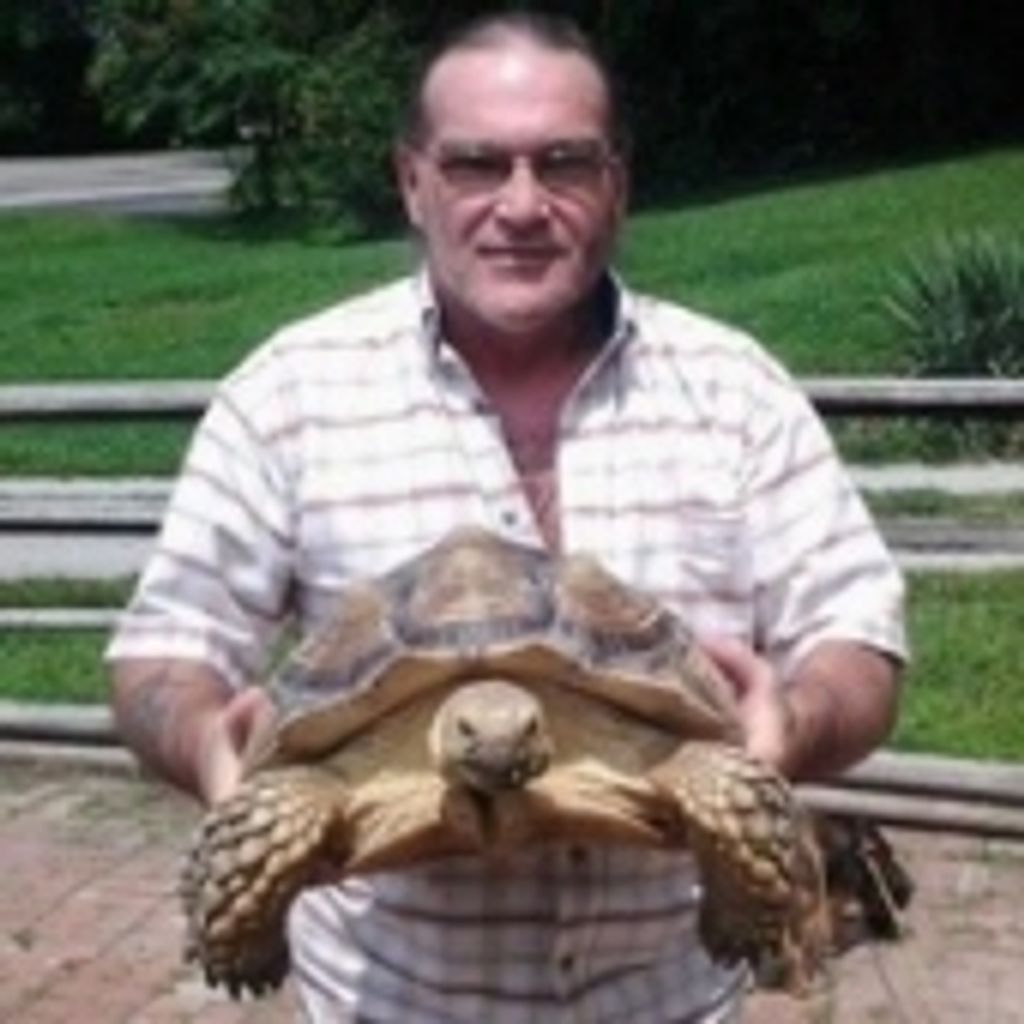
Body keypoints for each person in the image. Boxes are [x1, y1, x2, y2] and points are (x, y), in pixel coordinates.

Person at [107, 11, 906, 1023]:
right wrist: (212, 758)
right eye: (476, 164)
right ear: (413, 182)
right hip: (391, 1002)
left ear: (617, 182)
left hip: (668, 1001)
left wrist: (793, 725)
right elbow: (161, 657)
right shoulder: (285, 396)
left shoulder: (736, 390)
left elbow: (857, 636)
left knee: (722, 794)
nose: (521, 205)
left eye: (563, 163)